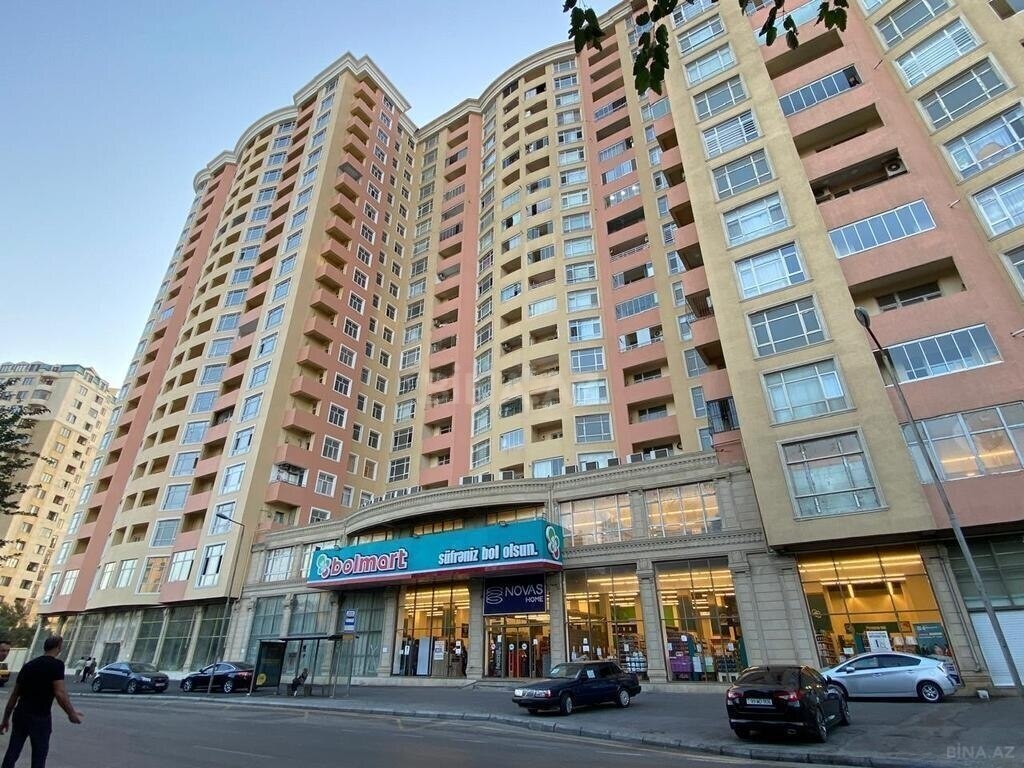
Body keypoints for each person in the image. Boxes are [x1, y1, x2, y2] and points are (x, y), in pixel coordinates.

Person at [1, 635, 83, 768]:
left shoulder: (28, 666)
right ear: (58, 648)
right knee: (39, 755)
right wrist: (71, 713)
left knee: (13, 751)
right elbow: (60, 693)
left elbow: (14, 695)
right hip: (40, 717)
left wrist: (5, 719)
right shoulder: (57, 665)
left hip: (21, 714)